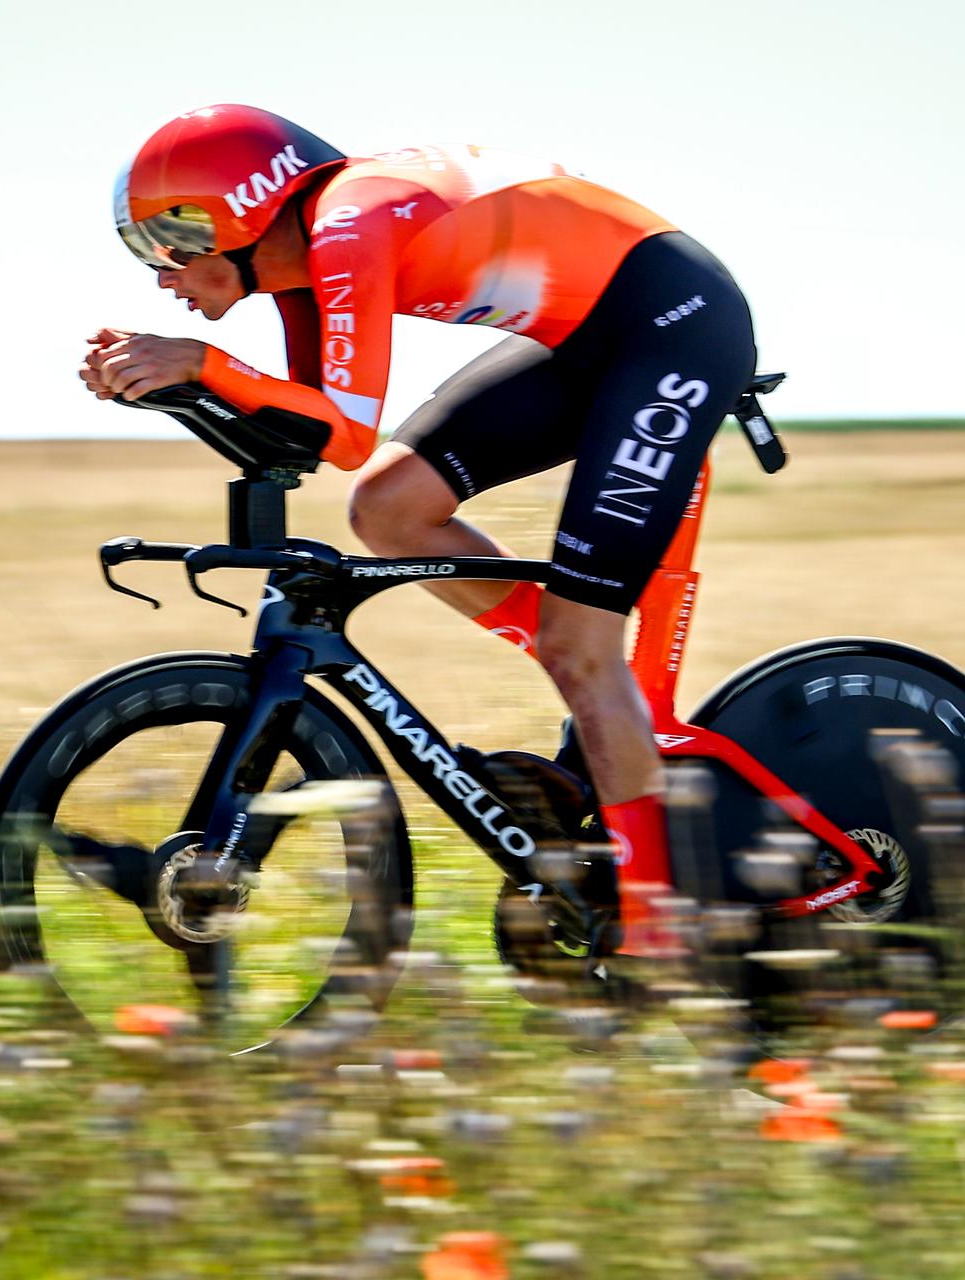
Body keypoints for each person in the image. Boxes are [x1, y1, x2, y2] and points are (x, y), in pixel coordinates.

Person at [82, 105, 756, 958]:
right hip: (587, 340)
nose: (160, 271)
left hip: (677, 327)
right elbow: (313, 433)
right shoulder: (301, 261)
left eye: (168, 241)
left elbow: (347, 427)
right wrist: (176, 384)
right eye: (143, 250)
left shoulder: (349, 224)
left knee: (583, 650)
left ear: (245, 211)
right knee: (387, 510)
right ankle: (593, 685)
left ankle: (661, 945)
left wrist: (204, 364)